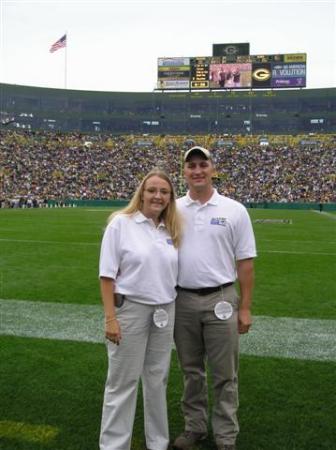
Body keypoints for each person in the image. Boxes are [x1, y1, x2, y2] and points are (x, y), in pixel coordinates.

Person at [173, 147, 257, 450]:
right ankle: (195, 427)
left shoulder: (234, 210)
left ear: (212, 168)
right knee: (190, 371)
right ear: (184, 171)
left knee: (225, 374)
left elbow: (245, 263)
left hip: (221, 297)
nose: (197, 170)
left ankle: (225, 436)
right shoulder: (173, 207)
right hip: (181, 300)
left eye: (202, 165)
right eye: (191, 166)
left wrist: (245, 307)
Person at [99, 168, 183, 450]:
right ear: (142, 193)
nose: (157, 196)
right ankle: (113, 446)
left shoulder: (170, 228)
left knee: (157, 380)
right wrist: (110, 318)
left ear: (170, 198)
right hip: (131, 310)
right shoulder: (121, 224)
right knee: (122, 382)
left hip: (164, 311)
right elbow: (106, 276)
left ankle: (158, 444)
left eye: (164, 192)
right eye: (152, 190)